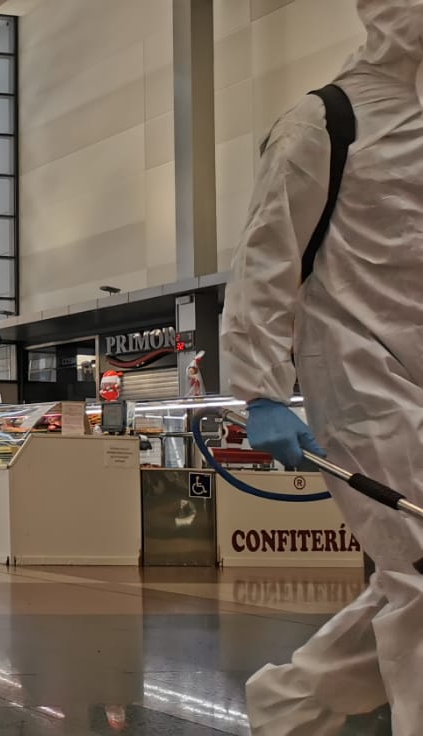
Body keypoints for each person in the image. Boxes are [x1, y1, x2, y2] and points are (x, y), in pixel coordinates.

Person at [221, 2, 423, 730]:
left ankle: (291, 707)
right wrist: (262, 392)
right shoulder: (324, 121)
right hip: (363, 381)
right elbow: (264, 261)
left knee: (412, 582)